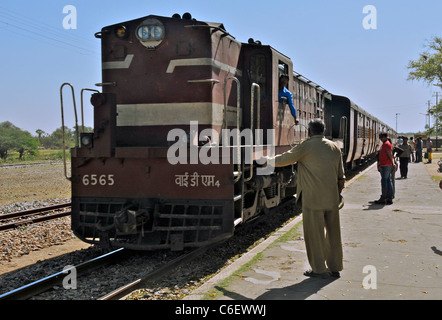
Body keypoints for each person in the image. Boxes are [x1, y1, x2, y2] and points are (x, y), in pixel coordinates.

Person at [268, 118, 345, 278]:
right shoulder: (334, 147)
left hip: (313, 199)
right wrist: (337, 193)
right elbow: (341, 176)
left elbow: (285, 159)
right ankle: (335, 267)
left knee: (314, 234)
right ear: (323, 131)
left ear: (309, 132)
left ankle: (319, 269)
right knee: (333, 233)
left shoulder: (306, 145)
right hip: (331, 198)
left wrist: (266, 162)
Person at [375, 133, 395, 205]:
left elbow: (390, 155)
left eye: (381, 138)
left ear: (384, 137)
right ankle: (389, 198)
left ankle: (384, 198)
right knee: (388, 181)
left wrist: (393, 163)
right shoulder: (385, 144)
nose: (380, 139)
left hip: (386, 165)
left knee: (384, 182)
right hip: (384, 165)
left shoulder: (387, 144)